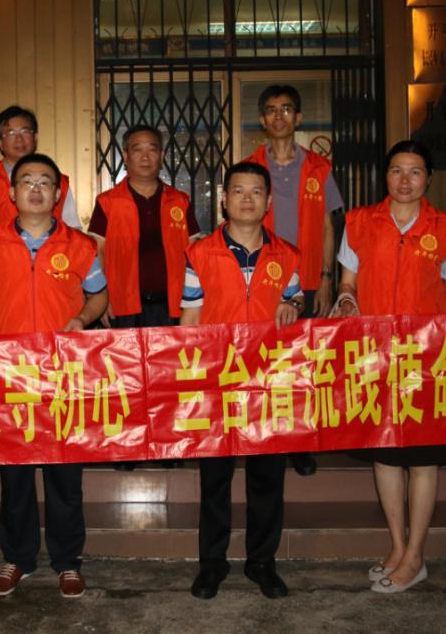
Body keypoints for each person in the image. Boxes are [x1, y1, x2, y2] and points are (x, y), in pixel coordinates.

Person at [330, 139, 446, 594]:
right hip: (375, 353)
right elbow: (347, 281)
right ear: (385, 176)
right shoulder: (359, 222)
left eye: (415, 171)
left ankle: (417, 553)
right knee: (384, 454)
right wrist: (347, 301)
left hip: (426, 354)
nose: (405, 180)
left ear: (429, 178)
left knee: (422, 459)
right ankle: (398, 547)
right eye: (397, 170)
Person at [0, 153, 108, 599]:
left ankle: (68, 561)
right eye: (26, 181)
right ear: (12, 193)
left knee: (65, 473)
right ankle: (17, 558)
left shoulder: (81, 246)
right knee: (15, 475)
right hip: (10, 373)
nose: (35, 189)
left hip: (63, 372)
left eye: (44, 182)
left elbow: (99, 297)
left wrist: (82, 320)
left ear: (57, 193)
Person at [180, 162, 303, 601]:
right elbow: (190, 316)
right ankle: (211, 564)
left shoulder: (287, 255)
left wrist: (294, 306)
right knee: (214, 479)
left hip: (270, 382)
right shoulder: (199, 253)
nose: (247, 199)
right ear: (224, 199)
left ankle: (262, 563)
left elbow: (295, 299)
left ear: (268, 202)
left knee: (267, 480)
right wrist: (188, 382)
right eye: (238, 191)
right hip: (217, 379)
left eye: (256, 191)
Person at [88, 124, 201, 470]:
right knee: (125, 378)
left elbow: (195, 252)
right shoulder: (108, 202)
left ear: (162, 155)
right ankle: (127, 447)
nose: (145, 156)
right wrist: (100, 298)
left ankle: (167, 446)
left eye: (152, 148)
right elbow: (96, 252)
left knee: (168, 377)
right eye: (137, 149)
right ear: (125, 156)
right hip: (124, 303)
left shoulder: (179, 201)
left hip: (171, 304)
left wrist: (196, 301)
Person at [246, 84, 345, 478]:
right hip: (263, 281)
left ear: (298, 118)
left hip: (308, 279)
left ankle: (300, 443)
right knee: (265, 361)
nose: (279, 116)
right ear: (262, 119)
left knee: (304, 364)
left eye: (286, 109)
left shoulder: (319, 168)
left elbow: (328, 226)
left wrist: (326, 278)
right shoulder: (250, 166)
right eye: (271, 110)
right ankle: (264, 437)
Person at [0, 105, 83, 230]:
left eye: (25, 131)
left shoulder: (58, 182)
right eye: (11, 133)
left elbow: (73, 231)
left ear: (35, 138)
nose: (19, 139)